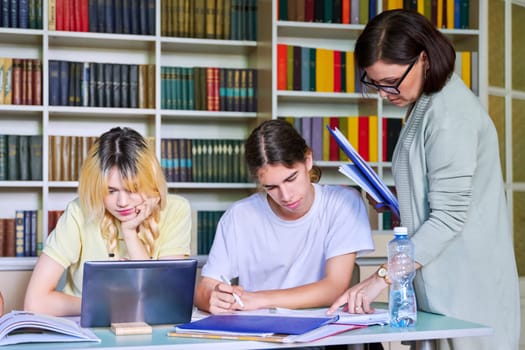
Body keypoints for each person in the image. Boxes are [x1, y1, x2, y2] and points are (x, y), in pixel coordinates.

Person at [328, 9, 520, 350]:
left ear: (424, 59)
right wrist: (398, 201)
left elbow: (448, 217)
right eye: (374, 82)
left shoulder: (449, 115)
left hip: (465, 289)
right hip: (440, 282)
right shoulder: (424, 105)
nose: (385, 93)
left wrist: (381, 278)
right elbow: (440, 197)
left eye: (391, 82)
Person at [194, 119, 374, 314]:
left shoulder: (342, 203)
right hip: (258, 335)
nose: (286, 196)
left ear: (308, 160)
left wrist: (259, 299)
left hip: (321, 332)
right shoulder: (239, 215)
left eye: (291, 179)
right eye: (271, 187)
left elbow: (334, 287)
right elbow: (205, 288)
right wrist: (212, 298)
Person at [24, 127, 192, 316]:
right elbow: (34, 303)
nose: (122, 202)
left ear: (150, 181)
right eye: (110, 191)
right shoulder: (79, 212)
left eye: (132, 189)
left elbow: (166, 301)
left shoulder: (176, 210)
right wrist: (105, 306)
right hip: (87, 334)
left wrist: (130, 234)